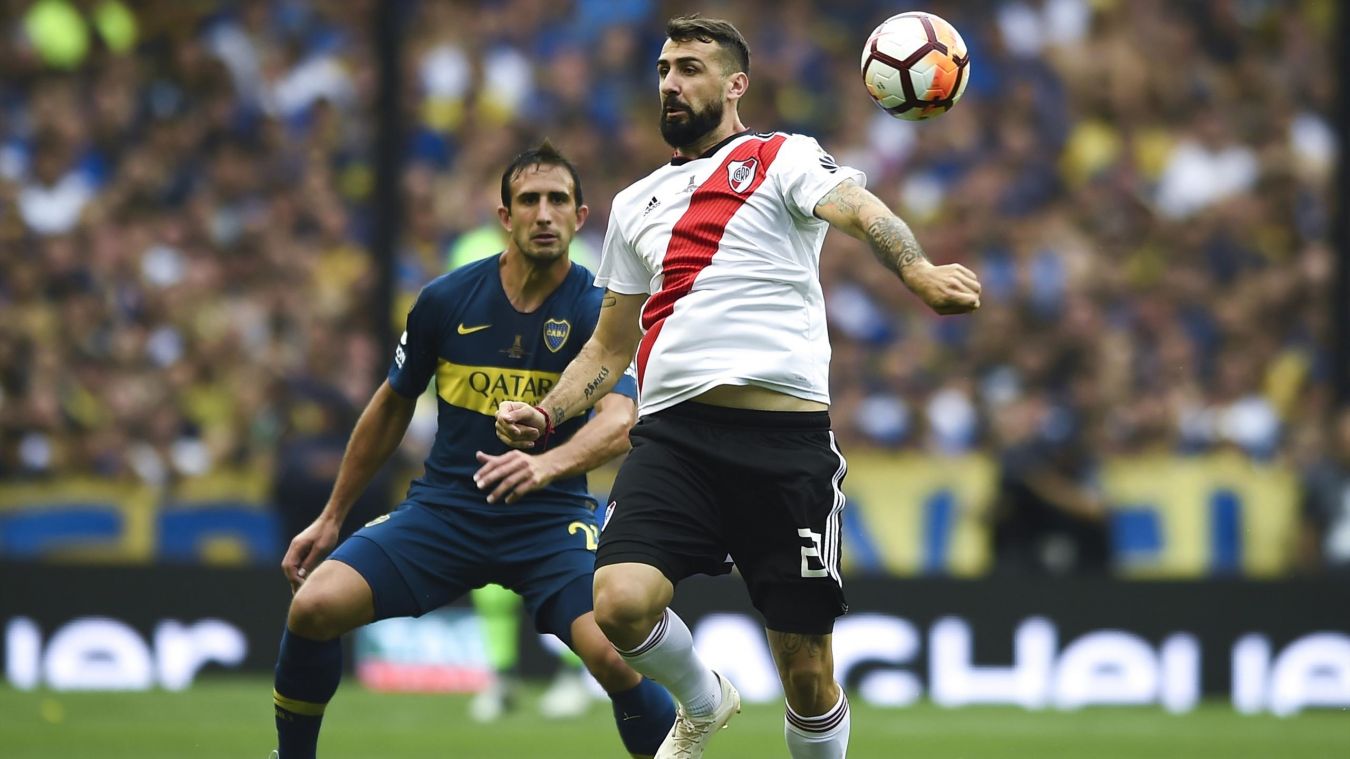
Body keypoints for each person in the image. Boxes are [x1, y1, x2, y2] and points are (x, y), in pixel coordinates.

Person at [495, 15, 982, 759]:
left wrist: (916, 270)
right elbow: (608, 344)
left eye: (689, 67)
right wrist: (550, 408)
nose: (670, 81)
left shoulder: (780, 157)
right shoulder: (634, 205)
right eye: (663, 68)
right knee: (619, 602)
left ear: (735, 84)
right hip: (675, 440)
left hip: (783, 444)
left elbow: (858, 208)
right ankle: (702, 698)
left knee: (808, 673)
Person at [269, 141, 676, 759]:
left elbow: (621, 423)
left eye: (558, 201)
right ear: (505, 216)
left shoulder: (602, 311)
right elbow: (391, 404)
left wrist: (544, 465)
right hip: (446, 512)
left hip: (550, 520)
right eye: (529, 201)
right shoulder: (446, 300)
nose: (544, 214)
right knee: (315, 607)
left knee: (616, 660)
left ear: (581, 216)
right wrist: (331, 516)